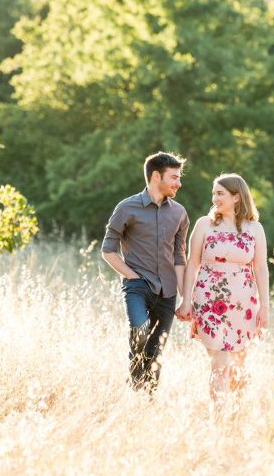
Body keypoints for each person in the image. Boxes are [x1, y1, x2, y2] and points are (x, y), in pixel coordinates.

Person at [175, 173, 269, 402]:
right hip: (209, 302)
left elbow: (261, 268)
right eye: (214, 193)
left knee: (239, 364)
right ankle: (217, 419)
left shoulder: (255, 229)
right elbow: (192, 264)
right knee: (220, 362)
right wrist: (186, 300)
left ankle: (236, 417)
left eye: (220, 193)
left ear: (236, 197)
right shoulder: (204, 225)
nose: (215, 198)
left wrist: (265, 306)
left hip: (244, 304)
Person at [101, 152, 190, 393]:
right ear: (155, 176)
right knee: (139, 330)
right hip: (137, 286)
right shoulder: (126, 207)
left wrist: (186, 298)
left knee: (155, 350)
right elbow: (108, 250)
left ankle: (145, 399)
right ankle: (135, 383)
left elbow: (180, 257)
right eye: (173, 177)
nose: (178, 183)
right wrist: (132, 276)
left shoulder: (180, 213)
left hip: (168, 292)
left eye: (179, 178)